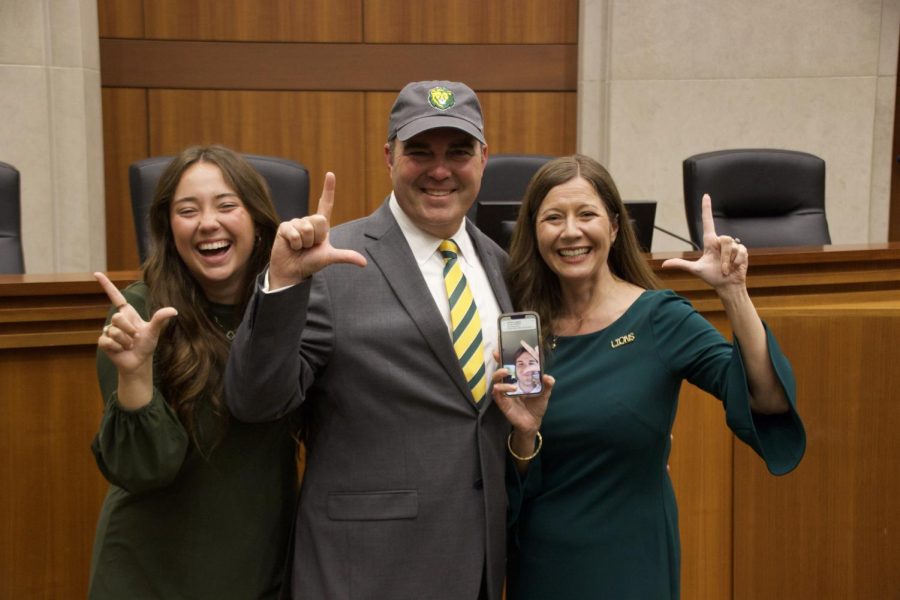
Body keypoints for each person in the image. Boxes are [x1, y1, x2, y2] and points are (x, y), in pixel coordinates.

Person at [224, 81, 551, 600]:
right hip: (363, 572)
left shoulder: (505, 265)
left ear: (483, 159)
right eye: (419, 151)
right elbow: (254, 401)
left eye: (459, 152)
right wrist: (283, 284)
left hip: (478, 567)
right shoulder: (332, 262)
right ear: (388, 157)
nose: (440, 170)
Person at [496, 154, 806, 599]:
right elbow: (508, 469)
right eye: (553, 218)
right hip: (541, 562)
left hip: (632, 560)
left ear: (616, 227)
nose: (570, 232)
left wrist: (733, 293)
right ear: (534, 232)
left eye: (587, 214)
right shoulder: (521, 331)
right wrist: (524, 438)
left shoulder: (659, 318)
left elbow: (768, 400)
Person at [88, 145, 299, 599]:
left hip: (260, 566)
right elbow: (143, 471)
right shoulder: (140, 314)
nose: (208, 223)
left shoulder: (287, 306)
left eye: (227, 206)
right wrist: (136, 376)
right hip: (153, 573)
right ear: (168, 228)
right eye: (188, 210)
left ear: (258, 221)